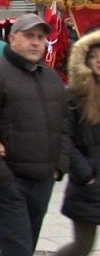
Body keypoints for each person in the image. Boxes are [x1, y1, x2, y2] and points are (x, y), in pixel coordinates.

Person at [0, 13, 69, 256]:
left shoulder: (51, 78)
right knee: (18, 250)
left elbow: (64, 125)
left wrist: (59, 166)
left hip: (42, 180)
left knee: (26, 247)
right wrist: (1, 179)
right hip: (8, 183)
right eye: (29, 36)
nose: (36, 42)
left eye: (41, 37)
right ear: (12, 39)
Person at [54, 30, 100, 256]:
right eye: (94, 55)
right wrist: (86, 175)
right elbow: (65, 138)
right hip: (88, 183)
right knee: (82, 246)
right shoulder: (74, 95)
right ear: (85, 59)